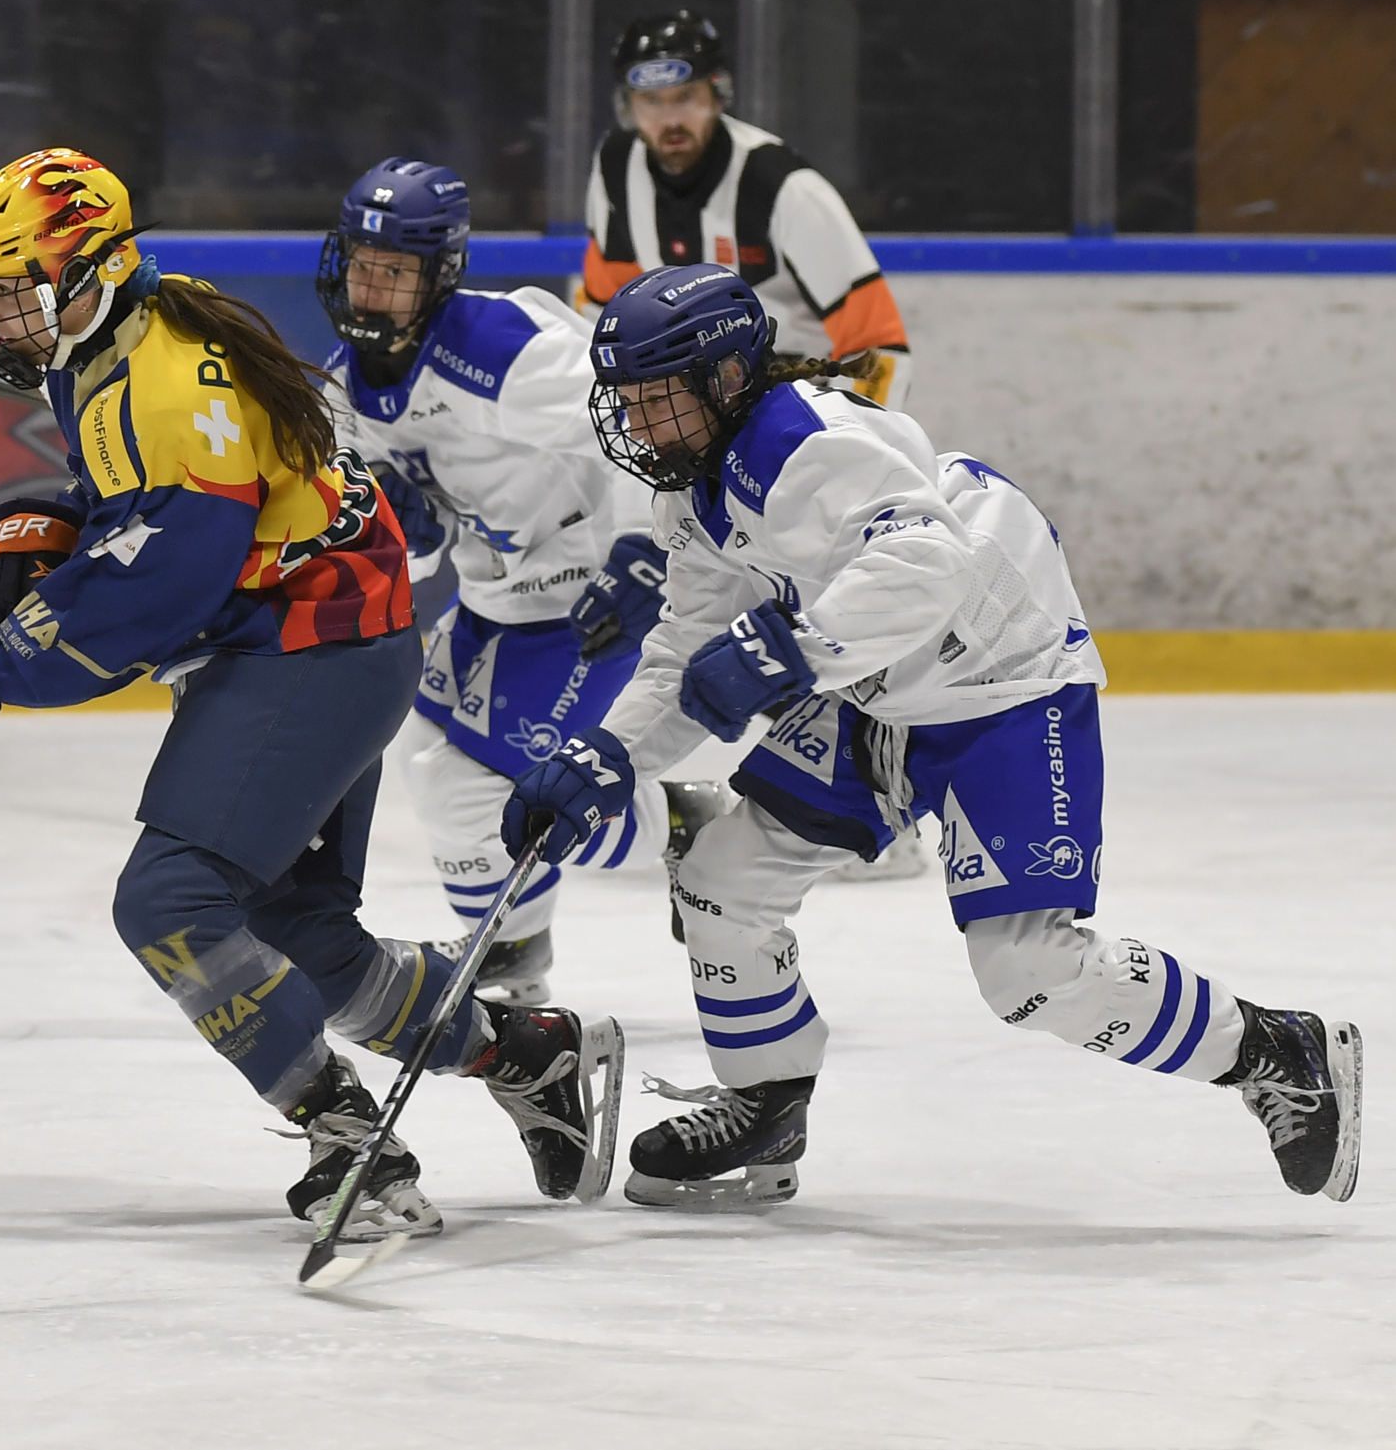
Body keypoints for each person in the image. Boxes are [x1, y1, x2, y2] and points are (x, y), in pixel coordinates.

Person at [0, 148, 626, 1242]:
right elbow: (162, 507)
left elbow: (167, 578)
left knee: (166, 900)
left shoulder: (159, 378)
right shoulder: (120, 328)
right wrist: (67, 522)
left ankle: (343, 1129)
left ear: (92, 270)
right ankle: (522, 1051)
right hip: (329, 631)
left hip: (313, 646)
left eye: (19, 288)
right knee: (299, 934)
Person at [502, 264, 1363, 1210]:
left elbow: (930, 561)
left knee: (1028, 972)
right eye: (624, 401)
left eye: (656, 400)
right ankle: (765, 1105)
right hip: (870, 687)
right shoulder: (693, 494)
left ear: (726, 379)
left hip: (1000, 679)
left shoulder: (809, 442)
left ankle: (1279, 1053)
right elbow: (679, 655)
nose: (637, 426)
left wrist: (788, 646)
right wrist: (607, 753)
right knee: (720, 877)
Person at [313, 155, 716, 1001]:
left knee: (515, 784)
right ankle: (534, 931)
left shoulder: (506, 355)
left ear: (441, 275)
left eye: (397, 271)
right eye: (362, 264)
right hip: (498, 599)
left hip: (593, 591)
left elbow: (642, 426)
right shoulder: (344, 390)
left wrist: (647, 550)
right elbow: (396, 536)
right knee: (428, 759)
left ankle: (669, 844)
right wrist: (403, 532)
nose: (372, 287)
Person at [580, 10, 914, 413]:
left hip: (799, 413)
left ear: (717, 93)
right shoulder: (615, 168)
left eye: (685, 96)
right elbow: (604, 312)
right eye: (651, 101)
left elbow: (879, 345)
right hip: (685, 416)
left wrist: (862, 449)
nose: (670, 120)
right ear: (627, 106)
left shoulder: (783, 188)